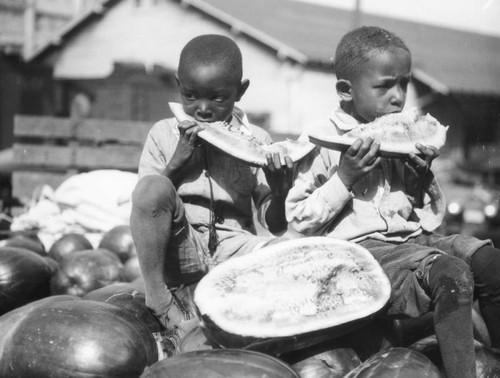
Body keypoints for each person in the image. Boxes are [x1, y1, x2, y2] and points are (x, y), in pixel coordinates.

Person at [286, 25, 500, 378]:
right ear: (345, 91)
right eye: (385, 85)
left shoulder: (400, 137)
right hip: (361, 254)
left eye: (404, 83)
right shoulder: (322, 142)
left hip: (413, 243)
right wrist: (345, 178)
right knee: (452, 274)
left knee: (489, 261)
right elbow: (299, 220)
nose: (398, 97)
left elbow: (426, 221)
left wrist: (419, 181)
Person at [130, 34, 293, 341]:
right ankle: (159, 297)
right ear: (179, 86)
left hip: (235, 247)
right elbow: (147, 204)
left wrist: (280, 192)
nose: (202, 109)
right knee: (152, 187)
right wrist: (178, 161)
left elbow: (276, 224)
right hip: (181, 246)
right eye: (190, 96)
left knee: (288, 251)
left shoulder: (257, 139)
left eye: (218, 98)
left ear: (240, 91)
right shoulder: (162, 134)